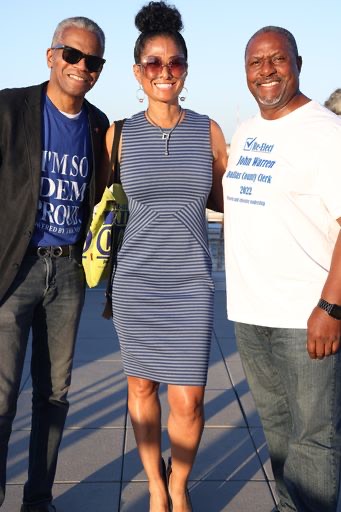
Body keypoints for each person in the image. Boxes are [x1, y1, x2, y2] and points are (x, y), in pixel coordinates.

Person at [103, 2, 227, 511]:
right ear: (138, 72)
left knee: (189, 400)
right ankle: (157, 487)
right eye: (153, 63)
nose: (164, 72)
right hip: (137, 280)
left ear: (186, 69)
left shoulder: (209, 131)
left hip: (192, 282)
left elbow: (228, 202)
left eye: (173, 62)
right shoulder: (120, 135)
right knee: (141, 388)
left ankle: (180, 485)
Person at [223, 26, 341, 512]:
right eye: (255, 62)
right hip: (251, 315)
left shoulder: (325, 132)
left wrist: (331, 306)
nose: (266, 71)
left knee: (313, 439)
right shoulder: (247, 130)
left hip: (305, 317)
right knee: (276, 434)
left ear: (297, 62)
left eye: (276, 59)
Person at [0, 16, 109, 512]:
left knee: (54, 397)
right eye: (72, 55)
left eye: (92, 61)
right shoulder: (11, 108)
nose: (81, 67)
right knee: (1, 401)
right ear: (51, 56)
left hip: (67, 272)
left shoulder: (98, 124)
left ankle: (38, 501)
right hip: (13, 271)